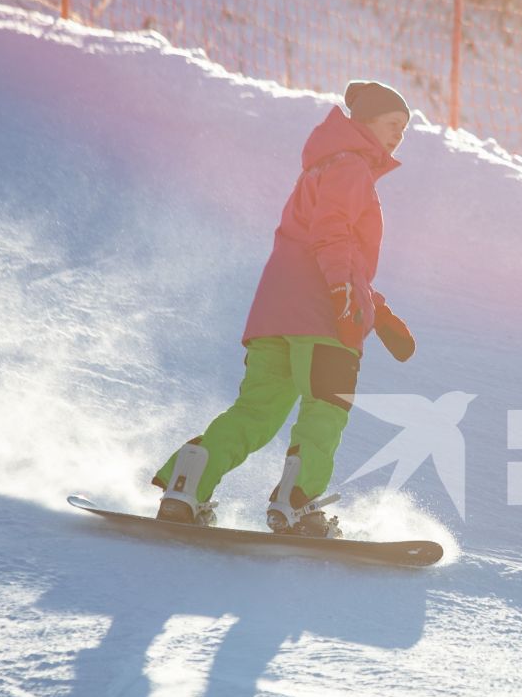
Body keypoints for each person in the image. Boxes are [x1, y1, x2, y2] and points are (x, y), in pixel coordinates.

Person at [151, 80, 417, 537]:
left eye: (405, 129)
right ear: (365, 122)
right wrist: (344, 296)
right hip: (322, 317)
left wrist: (380, 310)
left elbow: (330, 244)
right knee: (325, 409)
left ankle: (186, 486)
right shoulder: (352, 168)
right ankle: (297, 503)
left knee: (254, 412)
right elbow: (332, 236)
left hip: (275, 315)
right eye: (393, 124)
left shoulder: (322, 168)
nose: (398, 136)